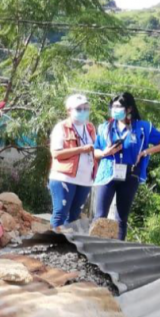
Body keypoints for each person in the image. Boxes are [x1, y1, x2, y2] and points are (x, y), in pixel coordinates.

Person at [92, 92, 160, 240]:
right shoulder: (105, 127)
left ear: (128, 109)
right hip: (107, 172)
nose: (114, 110)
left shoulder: (143, 127)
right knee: (100, 215)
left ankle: (117, 252)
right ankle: (92, 248)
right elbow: (95, 151)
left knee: (121, 218)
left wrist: (145, 152)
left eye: (118, 107)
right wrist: (105, 152)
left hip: (130, 174)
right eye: (113, 107)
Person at [48, 94, 97, 230]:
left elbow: (96, 149)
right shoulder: (61, 127)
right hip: (64, 178)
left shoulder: (90, 128)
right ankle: (53, 244)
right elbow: (56, 153)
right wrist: (81, 149)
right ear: (69, 110)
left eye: (85, 108)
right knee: (60, 213)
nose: (83, 111)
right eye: (79, 108)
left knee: (74, 216)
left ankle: (67, 245)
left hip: (85, 180)